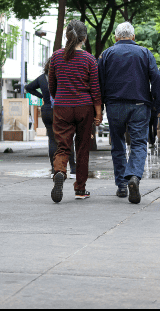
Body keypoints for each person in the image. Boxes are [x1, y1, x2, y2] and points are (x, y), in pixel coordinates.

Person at [99, 22, 160, 204]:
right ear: (133, 37)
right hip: (139, 105)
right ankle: (134, 177)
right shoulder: (144, 53)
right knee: (138, 143)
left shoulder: (106, 54)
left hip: (114, 105)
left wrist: (98, 106)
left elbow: (98, 82)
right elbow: (157, 79)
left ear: (116, 37)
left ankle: (122, 185)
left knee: (118, 143)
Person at [49, 20, 102, 202]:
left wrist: (61, 97)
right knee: (82, 148)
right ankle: (80, 189)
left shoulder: (56, 57)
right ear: (84, 38)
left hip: (62, 106)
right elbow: (95, 89)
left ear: (66, 36)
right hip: (84, 107)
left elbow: (52, 86)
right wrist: (98, 113)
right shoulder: (89, 59)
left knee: (63, 146)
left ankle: (60, 172)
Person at [26, 59, 76, 177]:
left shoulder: (42, 78)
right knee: (68, 138)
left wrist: (42, 96)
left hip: (47, 110)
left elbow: (28, 87)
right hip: (61, 110)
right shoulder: (62, 77)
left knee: (52, 140)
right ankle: (73, 167)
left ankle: (54, 169)